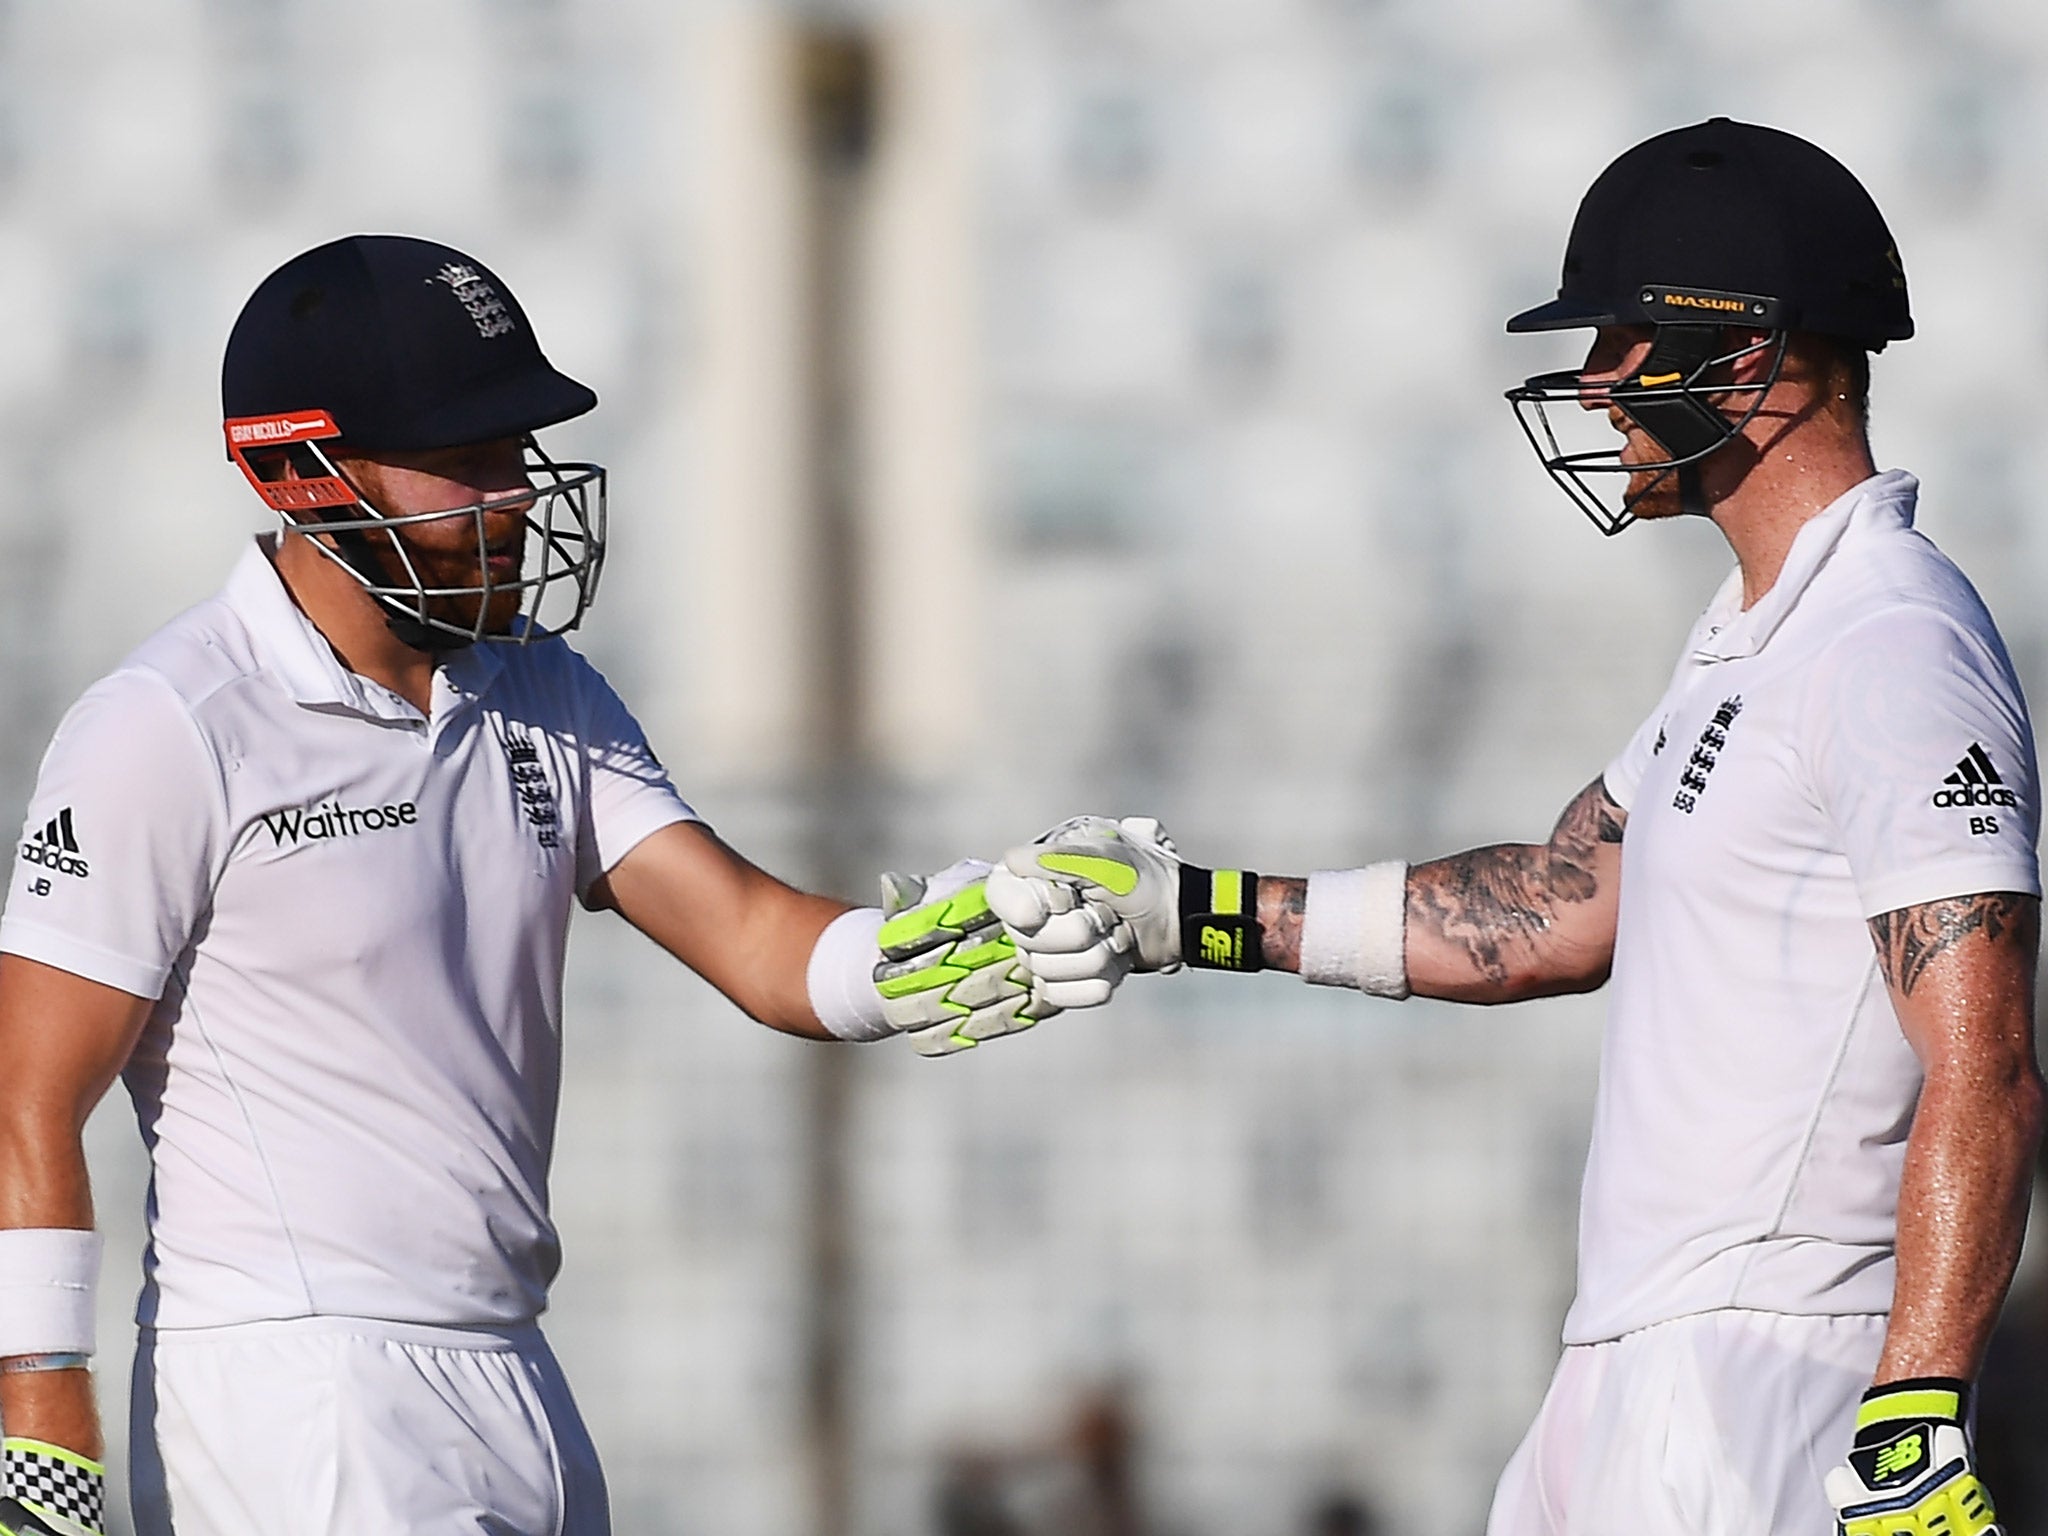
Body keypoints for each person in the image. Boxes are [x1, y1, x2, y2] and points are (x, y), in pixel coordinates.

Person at [987, 120, 2039, 1536]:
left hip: (1779, 1373)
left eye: (1622, 342)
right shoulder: (1751, 640)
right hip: (1630, 1363)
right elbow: (1555, 903)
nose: (1598, 385)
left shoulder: (1893, 643)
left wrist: (1914, 1411)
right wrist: (1196, 909)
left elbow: (1986, 1064)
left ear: (1740, 357)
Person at [0, 235, 1061, 1536]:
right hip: (299, 1400)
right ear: (296, 469)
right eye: (465, 461)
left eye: (516, 451)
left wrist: (1017, 933)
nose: (513, 496)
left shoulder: (539, 687)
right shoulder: (173, 722)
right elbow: (27, 1099)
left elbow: (767, 949)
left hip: (515, 1376)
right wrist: (42, 1427)